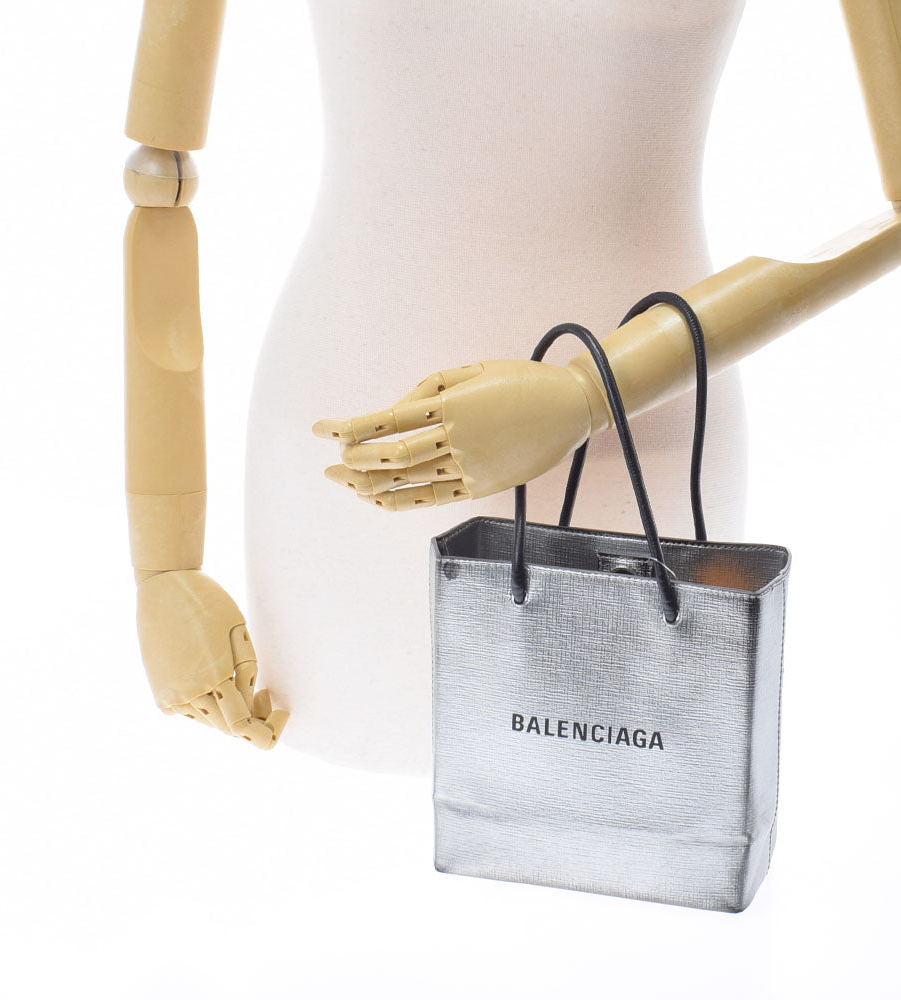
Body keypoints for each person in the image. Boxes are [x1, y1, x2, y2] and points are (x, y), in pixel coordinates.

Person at [244, 0, 751, 774]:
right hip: (352, 448)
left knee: (611, 794)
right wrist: (163, 566)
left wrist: (588, 394)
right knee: (349, 790)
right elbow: (159, 184)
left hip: (637, 428)